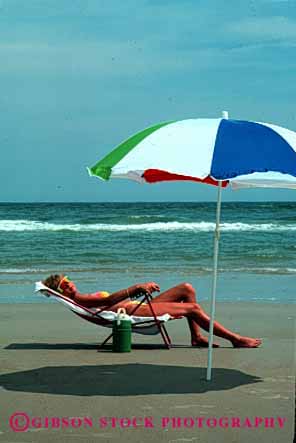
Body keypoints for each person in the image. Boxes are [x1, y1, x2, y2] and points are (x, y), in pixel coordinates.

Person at [42, 274, 262, 348]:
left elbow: (109, 301)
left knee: (187, 288)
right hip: (136, 313)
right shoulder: (80, 299)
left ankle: (197, 337)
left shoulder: (80, 297)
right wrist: (137, 287)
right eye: (64, 286)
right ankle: (235, 339)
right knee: (192, 308)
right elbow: (109, 299)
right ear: (61, 292)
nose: (70, 286)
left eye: (68, 281)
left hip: (140, 307)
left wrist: (138, 291)